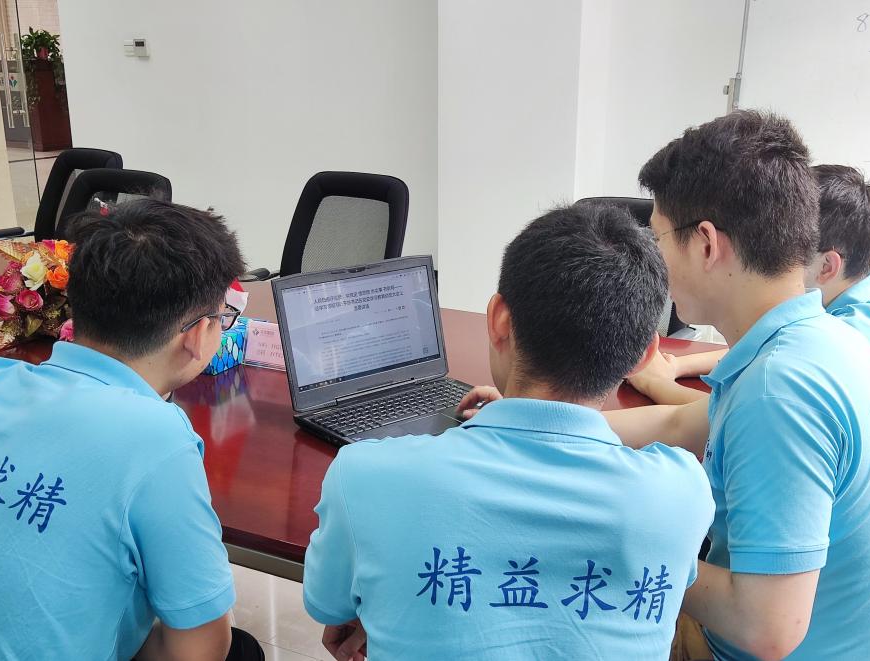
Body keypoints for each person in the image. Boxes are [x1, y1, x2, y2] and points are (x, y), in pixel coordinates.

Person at [302, 203, 714, 660]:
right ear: (644, 355)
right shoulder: (681, 492)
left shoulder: (363, 477)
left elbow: (328, 605)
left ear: (499, 318)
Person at [604, 111, 870, 659]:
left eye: (657, 239)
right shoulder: (823, 337)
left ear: (705, 244)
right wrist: (547, 420)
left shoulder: (779, 387)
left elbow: (766, 628)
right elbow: (681, 421)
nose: (654, 260)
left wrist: (630, 547)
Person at [0, 199, 263, 660]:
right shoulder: (158, 440)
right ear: (196, 335)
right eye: (223, 316)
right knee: (239, 650)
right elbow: (202, 650)